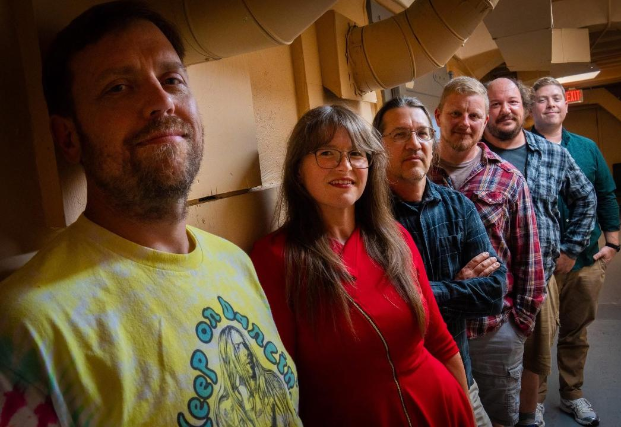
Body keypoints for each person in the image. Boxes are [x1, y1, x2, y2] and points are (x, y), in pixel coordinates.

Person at [0, 2, 301, 426]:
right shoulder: (30, 327)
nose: (162, 102)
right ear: (68, 138)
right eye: (118, 88)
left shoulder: (235, 262)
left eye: (172, 80)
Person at [250, 104, 475, 426]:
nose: (344, 166)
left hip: (440, 405)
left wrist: (465, 410)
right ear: (298, 169)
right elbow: (281, 380)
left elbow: (440, 340)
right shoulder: (275, 258)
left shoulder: (395, 238)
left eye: (356, 154)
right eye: (327, 153)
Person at [372, 96, 507, 426]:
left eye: (422, 133)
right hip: (400, 392)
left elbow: (494, 292)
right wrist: (457, 288)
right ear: (377, 146)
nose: (414, 143)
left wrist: (426, 293)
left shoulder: (458, 207)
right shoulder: (369, 219)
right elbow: (379, 306)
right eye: (400, 134)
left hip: (460, 378)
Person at [429, 76, 545, 427]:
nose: (464, 123)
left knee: (498, 418)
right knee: (447, 417)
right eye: (455, 113)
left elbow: (529, 259)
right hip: (435, 330)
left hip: (493, 332)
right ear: (438, 115)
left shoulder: (509, 179)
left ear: (485, 121)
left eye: (474, 115)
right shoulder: (416, 174)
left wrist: (518, 326)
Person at [483, 77, 596, 427]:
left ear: (525, 107)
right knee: (491, 359)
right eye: (496, 104)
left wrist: (571, 250)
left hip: (539, 278)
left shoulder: (552, 153)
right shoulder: (474, 155)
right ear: (485, 111)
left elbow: (586, 197)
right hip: (488, 283)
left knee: (535, 356)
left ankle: (529, 416)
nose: (505, 110)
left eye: (513, 102)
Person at [531, 76, 620, 427]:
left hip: (585, 261)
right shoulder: (521, 149)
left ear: (566, 105)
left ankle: (572, 394)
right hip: (541, 265)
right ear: (532, 108)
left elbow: (605, 194)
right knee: (537, 337)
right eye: (542, 99)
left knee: (575, 331)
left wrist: (612, 243)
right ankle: (533, 401)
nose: (551, 104)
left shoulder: (586, 148)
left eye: (556, 98)